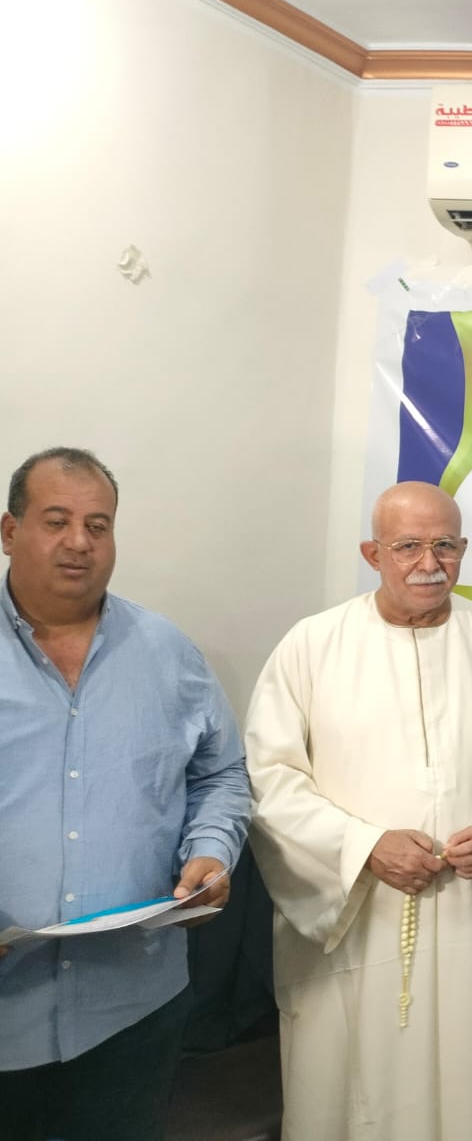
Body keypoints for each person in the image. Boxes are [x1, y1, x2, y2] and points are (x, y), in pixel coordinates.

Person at [244, 481, 472, 1141]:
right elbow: (270, 779)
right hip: (356, 918)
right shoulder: (312, 645)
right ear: (371, 553)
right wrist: (365, 846)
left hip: (469, 917)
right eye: (407, 546)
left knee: (467, 1082)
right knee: (346, 1088)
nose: (428, 564)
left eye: (445, 546)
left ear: (464, 549)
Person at [0, 446, 249, 1141]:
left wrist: (210, 851)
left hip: (132, 1010)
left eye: (98, 525)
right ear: (9, 531)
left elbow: (220, 774)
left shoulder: (168, 652)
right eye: (56, 521)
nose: (79, 542)